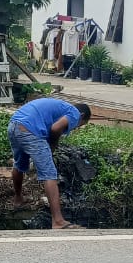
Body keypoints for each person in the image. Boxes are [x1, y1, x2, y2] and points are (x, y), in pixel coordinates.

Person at [9, 97, 92, 229]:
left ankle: (18, 199)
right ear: (82, 116)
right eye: (80, 124)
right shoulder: (74, 113)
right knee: (49, 174)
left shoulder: (61, 107)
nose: (76, 127)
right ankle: (58, 221)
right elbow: (55, 128)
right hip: (31, 130)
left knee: (19, 165)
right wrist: (53, 145)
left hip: (14, 125)